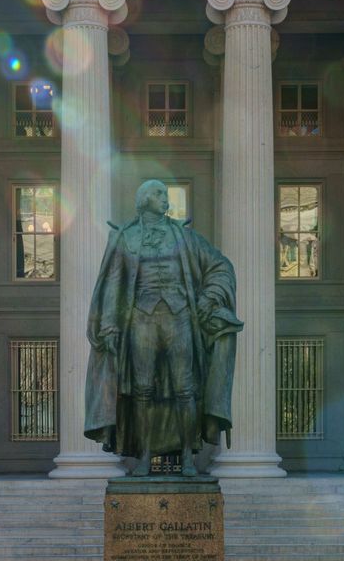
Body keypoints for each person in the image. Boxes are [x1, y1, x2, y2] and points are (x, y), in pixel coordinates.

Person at [83, 179, 241, 476]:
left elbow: (220, 265)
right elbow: (113, 285)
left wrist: (209, 297)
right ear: (143, 199)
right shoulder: (125, 239)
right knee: (142, 390)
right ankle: (143, 456)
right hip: (141, 320)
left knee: (186, 389)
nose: (164, 199)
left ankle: (187, 457)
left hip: (180, 317)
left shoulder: (185, 237)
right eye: (158, 194)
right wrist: (109, 326)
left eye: (166, 194)